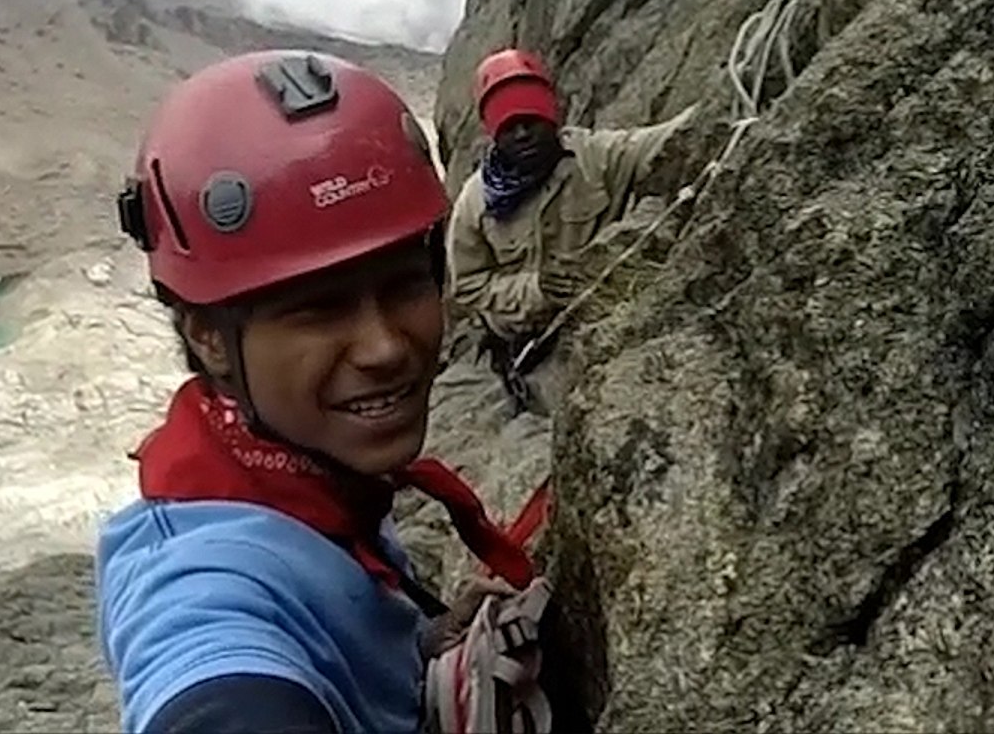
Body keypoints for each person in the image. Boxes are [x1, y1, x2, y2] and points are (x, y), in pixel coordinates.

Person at [98, 50, 544, 734]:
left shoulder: (304, 475)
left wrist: (417, 650)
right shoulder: (206, 581)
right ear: (209, 337)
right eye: (319, 309)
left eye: (403, 283)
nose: (385, 346)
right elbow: (213, 680)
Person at [447, 47, 695, 412]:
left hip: (593, 321)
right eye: (509, 126)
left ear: (552, 116)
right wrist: (537, 289)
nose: (522, 134)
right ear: (493, 135)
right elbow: (468, 286)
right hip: (525, 342)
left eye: (531, 120)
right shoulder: (475, 204)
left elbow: (662, 140)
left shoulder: (597, 158)